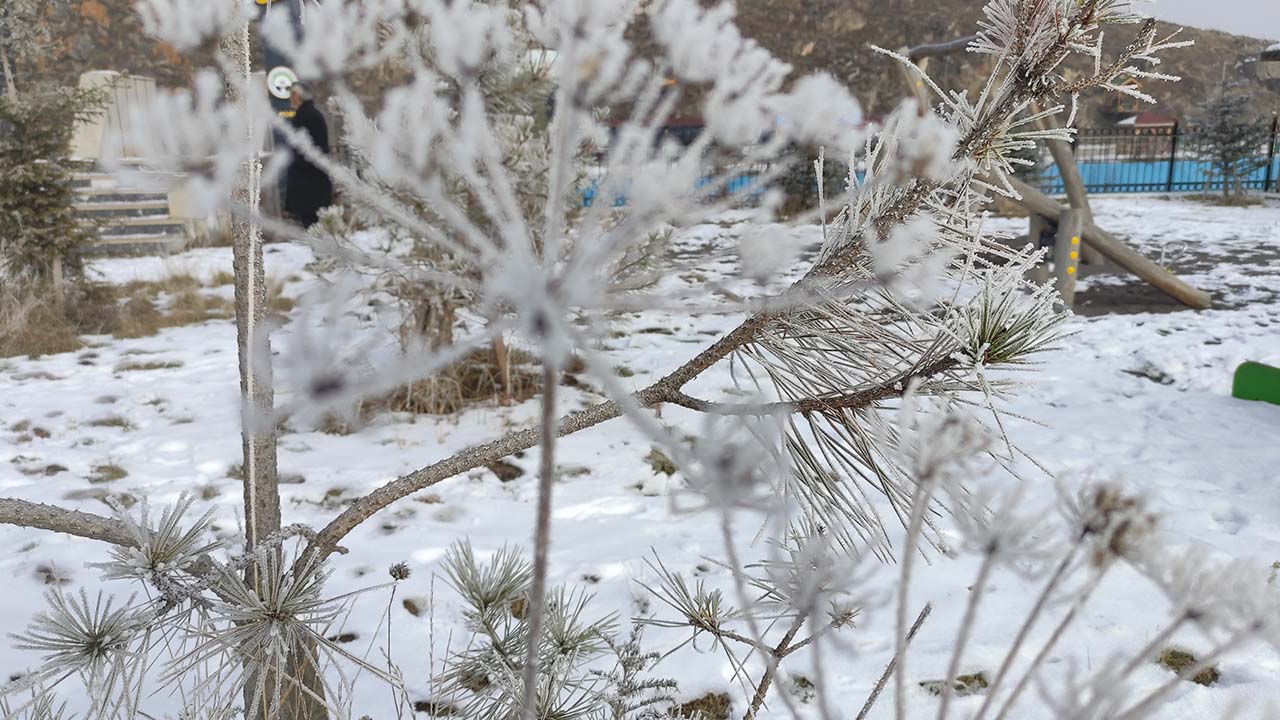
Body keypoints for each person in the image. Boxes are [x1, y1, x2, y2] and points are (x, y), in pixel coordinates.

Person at [283, 83, 333, 228]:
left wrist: (296, 166)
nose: (290, 99)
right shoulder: (308, 114)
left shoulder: (307, 116)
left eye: (292, 95)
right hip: (310, 182)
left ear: (297, 96)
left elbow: (312, 150)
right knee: (313, 226)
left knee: (314, 225)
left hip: (310, 184)